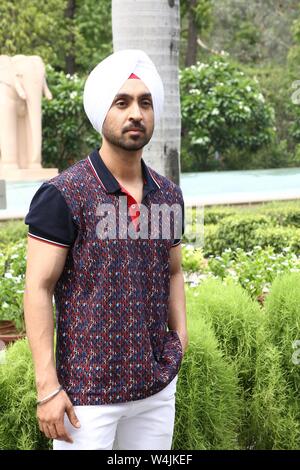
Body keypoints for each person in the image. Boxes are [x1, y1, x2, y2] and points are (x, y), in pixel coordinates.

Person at [23, 49, 188, 450]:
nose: (136, 113)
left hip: (154, 391)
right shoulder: (63, 194)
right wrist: (48, 388)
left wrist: (180, 340)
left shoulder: (167, 194)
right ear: (102, 112)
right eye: (123, 102)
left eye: (145, 102)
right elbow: (38, 289)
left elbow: (173, 272)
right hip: (86, 400)